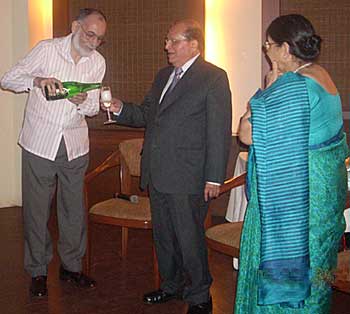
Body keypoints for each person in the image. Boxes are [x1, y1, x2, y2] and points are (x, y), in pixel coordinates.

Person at [104, 19, 232, 314]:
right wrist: (120, 108)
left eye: (173, 41)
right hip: (158, 171)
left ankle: (201, 296)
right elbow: (148, 115)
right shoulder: (164, 76)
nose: (166, 46)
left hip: (188, 174)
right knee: (163, 235)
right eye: (167, 41)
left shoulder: (213, 77)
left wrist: (214, 177)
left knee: (189, 238)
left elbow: (218, 131)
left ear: (194, 44)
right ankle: (171, 286)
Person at [235, 14, 348, 313]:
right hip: (322, 198)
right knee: (318, 265)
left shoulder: (294, 88)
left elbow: (246, 134)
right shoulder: (321, 75)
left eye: (268, 45)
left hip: (297, 200)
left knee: (294, 272)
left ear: (285, 49)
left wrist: (267, 89)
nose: (265, 51)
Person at [0, 8, 107, 297]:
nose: (94, 43)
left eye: (99, 39)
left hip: (74, 145)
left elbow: (93, 107)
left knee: (73, 210)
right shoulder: (46, 50)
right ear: (75, 26)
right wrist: (37, 81)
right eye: (90, 34)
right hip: (40, 143)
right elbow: (8, 78)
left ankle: (71, 267)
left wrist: (81, 101)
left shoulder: (97, 62)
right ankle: (37, 270)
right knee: (37, 210)